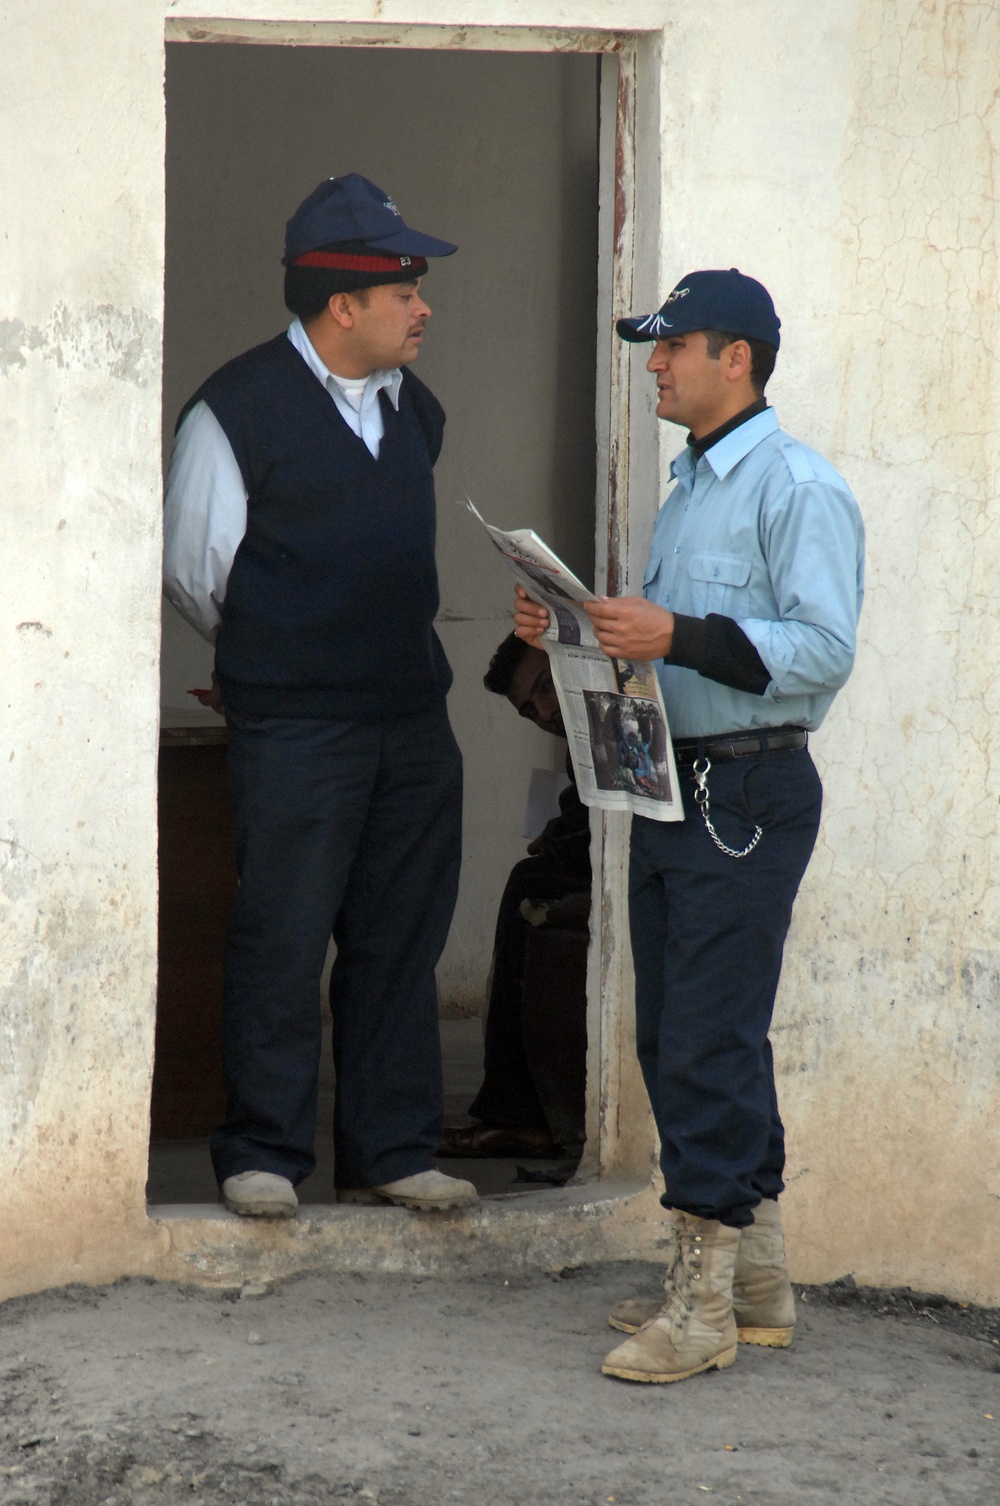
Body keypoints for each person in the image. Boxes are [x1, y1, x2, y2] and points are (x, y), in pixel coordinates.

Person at [515, 268, 864, 1383]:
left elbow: (822, 649)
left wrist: (676, 634)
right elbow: (670, 638)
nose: (654, 365)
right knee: (682, 1035)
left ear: (738, 359)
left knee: (707, 1039)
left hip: (747, 796)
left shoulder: (797, 488)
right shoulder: (689, 483)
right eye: (653, 347)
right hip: (679, 787)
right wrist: (574, 624)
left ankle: (703, 1305)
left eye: (674, 347)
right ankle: (755, 1280)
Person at [163, 173, 476, 1217]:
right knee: (283, 936)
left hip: (409, 722)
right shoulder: (234, 410)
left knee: (399, 938)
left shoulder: (414, 408)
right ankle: (263, 1153)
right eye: (405, 288)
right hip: (296, 725)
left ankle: (391, 1149)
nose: (422, 307)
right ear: (343, 303)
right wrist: (274, 657)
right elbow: (199, 571)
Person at [437, 633, 590, 1158]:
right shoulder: (579, 736)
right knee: (531, 880)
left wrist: (568, 836)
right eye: (529, 710)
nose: (545, 711)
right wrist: (563, 829)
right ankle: (515, 1104)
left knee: (530, 883)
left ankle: (517, 1111)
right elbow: (587, 810)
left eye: (546, 687)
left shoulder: (615, 710)